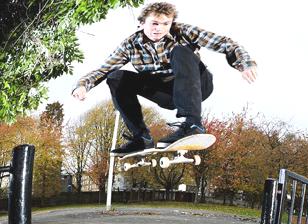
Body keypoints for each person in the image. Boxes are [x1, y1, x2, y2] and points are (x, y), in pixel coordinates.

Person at [72, 2, 257, 154]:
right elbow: (104, 68)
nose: (159, 29)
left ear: (171, 23)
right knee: (115, 77)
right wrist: (83, 86)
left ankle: (193, 124)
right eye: (154, 23)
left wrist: (244, 63)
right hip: (167, 94)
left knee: (180, 51)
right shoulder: (130, 45)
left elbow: (224, 43)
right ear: (142, 23)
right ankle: (141, 138)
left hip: (198, 86)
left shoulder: (183, 31)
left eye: (165, 24)